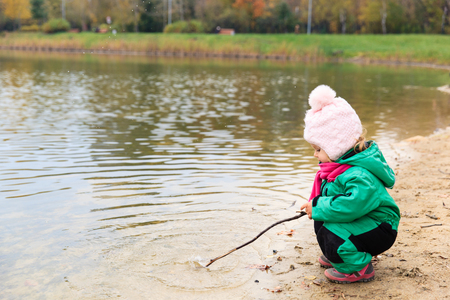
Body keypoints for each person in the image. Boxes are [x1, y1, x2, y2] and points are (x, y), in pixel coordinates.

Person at [300, 85, 400, 284]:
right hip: (365, 221)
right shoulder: (339, 168)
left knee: (330, 233)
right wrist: (317, 206)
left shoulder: (358, 174)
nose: (315, 154)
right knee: (322, 220)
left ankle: (358, 267)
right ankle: (342, 254)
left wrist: (319, 206)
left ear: (336, 146)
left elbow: (352, 205)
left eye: (319, 149)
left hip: (380, 227)